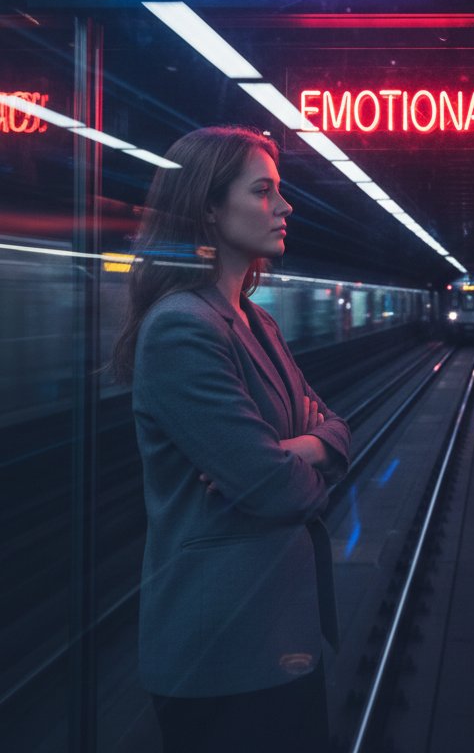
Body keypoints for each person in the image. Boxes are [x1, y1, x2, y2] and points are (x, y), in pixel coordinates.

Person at [112, 126, 351, 753]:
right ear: (210, 209)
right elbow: (275, 490)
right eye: (264, 191)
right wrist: (292, 462)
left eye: (281, 192)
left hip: (278, 633)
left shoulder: (256, 320)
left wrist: (306, 447)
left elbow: (335, 426)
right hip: (223, 649)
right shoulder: (181, 330)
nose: (285, 206)